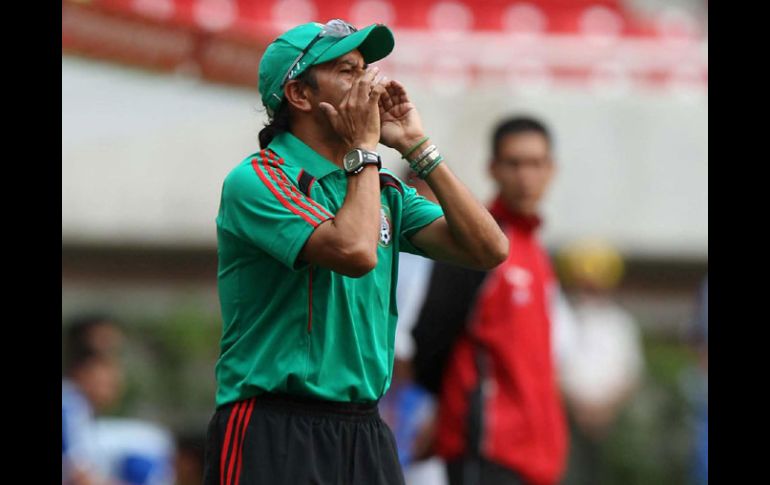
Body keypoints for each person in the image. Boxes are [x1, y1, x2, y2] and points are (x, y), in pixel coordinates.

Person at [204, 18, 509, 485]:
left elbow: (489, 248)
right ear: (300, 96)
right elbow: (354, 250)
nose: (371, 84)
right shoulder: (257, 179)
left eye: (367, 68)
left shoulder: (382, 188)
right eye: (347, 71)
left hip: (364, 427)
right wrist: (365, 149)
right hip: (273, 424)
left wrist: (416, 146)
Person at [412, 116, 567, 485]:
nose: (525, 176)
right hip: (486, 449)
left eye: (535, 163)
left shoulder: (536, 250)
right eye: (514, 163)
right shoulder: (477, 244)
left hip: (539, 455)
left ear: (551, 170)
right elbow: (431, 338)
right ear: (493, 168)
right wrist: (458, 411)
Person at [555, 239, 645, 485]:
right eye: (585, 284)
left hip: (611, 423)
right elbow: (552, 369)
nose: (590, 291)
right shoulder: (562, 317)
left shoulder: (621, 324)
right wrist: (579, 409)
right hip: (568, 420)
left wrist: (605, 410)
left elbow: (631, 375)